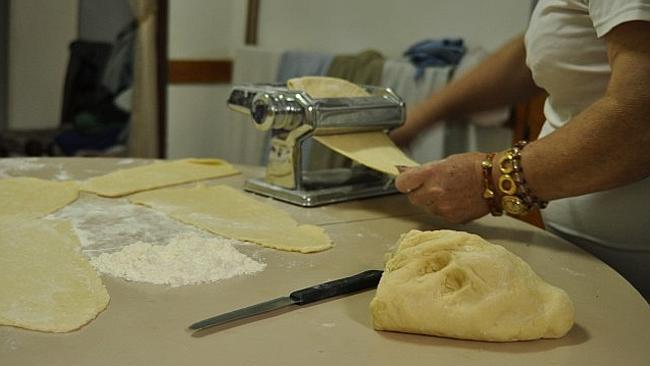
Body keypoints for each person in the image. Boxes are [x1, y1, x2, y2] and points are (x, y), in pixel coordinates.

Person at [390, 0, 650, 299]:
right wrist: (420, 118)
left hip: (638, 276)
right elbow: (543, 49)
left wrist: (490, 180)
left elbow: (641, 118)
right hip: (591, 266)